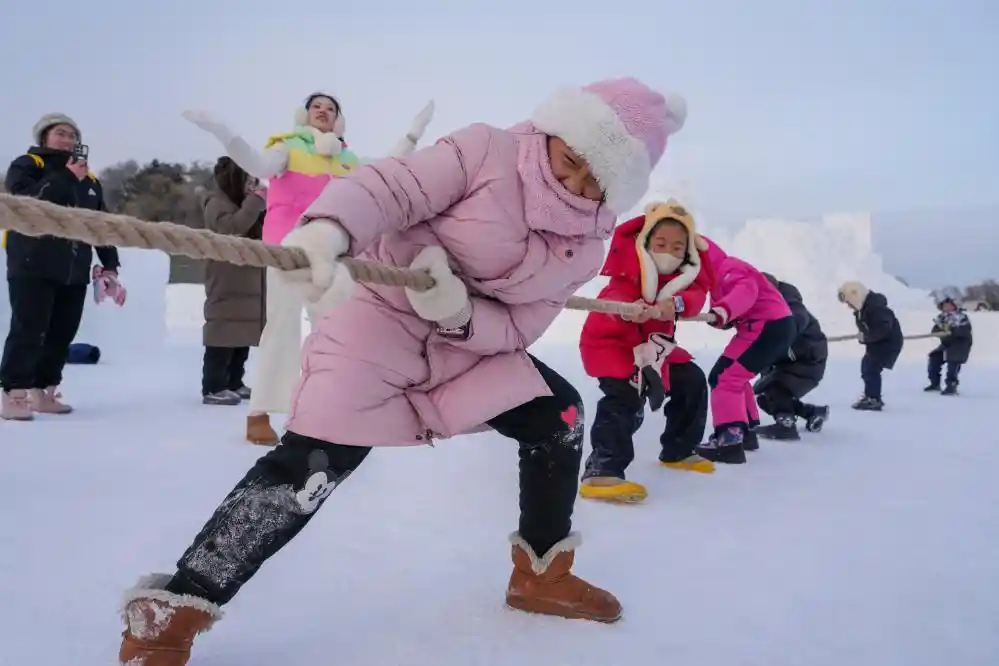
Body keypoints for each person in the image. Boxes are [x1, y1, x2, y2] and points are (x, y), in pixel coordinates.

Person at [117, 77, 687, 664]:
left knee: (558, 415)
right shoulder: (486, 151)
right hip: (379, 317)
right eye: (571, 160)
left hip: (467, 346)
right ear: (553, 130)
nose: (574, 183)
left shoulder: (586, 245)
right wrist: (329, 230)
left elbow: (520, 329)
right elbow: (391, 187)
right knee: (315, 460)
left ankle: (541, 574)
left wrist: (459, 315)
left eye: (596, 180)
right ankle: (174, 610)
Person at [182, 93, 436, 444]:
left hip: (330, 255)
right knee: (281, 329)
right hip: (286, 251)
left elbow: (386, 169)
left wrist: (413, 133)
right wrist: (223, 131)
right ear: (304, 114)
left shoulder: (346, 161)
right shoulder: (287, 148)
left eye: (330, 108)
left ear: (338, 120)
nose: (323, 111)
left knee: (335, 333)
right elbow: (257, 165)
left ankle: (330, 410)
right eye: (317, 106)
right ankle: (260, 413)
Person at [577, 200, 714, 503]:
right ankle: (602, 471)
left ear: (687, 253)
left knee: (691, 379)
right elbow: (613, 299)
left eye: (677, 247)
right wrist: (628, 311)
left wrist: (675, 305)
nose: (668, 252)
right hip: (612, 347)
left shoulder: (679, 283)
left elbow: (694, 298)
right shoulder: (629, 273)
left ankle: (679, 449)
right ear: (645, 242)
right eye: (661, 244)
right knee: (626, 396)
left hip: (653, 351)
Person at [1, 113, 123, 420]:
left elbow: (101, 226)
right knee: (29, 330)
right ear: (45, 137)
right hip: (32, 264)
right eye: (60, 133)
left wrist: (110, 265)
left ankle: (44, 392)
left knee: (61, 334)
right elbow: (26, 203)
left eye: (72, 135)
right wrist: (67, 177)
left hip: (74, 269)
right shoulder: (28, 165)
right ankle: (13, 394)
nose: (67, 140)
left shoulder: (90, 181)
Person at [695, 241, 794, 464]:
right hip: (759, 327)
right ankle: (745, 431)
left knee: (725, 379)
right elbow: (727, 310)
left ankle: (729, 442)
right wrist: (722, 317)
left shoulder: (728, 269)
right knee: (723, 375)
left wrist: (724, 310)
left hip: (767, 325)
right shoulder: (716, 279)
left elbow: (745, 292)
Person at [200, 157, 268, 405]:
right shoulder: (216, 202)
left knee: (243, 331)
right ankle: (213, 386)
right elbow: (230, 229)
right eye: (248, 180)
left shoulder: (243, 202)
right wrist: (255, 202)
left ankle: (234, 381)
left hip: (249, 279)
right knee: (223, 331)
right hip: (226, 279)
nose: (251, 186)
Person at [752, 272, 830, 440]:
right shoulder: (765, 309)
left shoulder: (788, 301)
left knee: (775, 388)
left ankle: (786, 426)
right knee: (765, 397)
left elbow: (797, 319)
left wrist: (783, 330)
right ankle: (811, 412)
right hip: (790, 360)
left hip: (808, 359)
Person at [837, 281, 903, 411]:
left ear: (855, 295)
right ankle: (871, 396)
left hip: (887, 343)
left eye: (849, 302)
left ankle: (873, 399)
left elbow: (883, 328)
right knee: (868, 367)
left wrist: (866, 337)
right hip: (878, 343)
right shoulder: (864, 309)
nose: (849, 306)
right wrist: (865, 336)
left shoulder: (876, 308)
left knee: (871, 368)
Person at [925, 295, 972, 395]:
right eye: (944, 306)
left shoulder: (961, 317)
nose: (946, 307)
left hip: (960, 345)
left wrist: (952, 331)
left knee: (953, 363)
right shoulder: (942, 318)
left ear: (954, 306)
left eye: (949, 305)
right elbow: (935, 330)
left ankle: (951, 385)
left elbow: (965, 331)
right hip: (946, 344)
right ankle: (935, 383)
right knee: (934, 358)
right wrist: (939, 332)